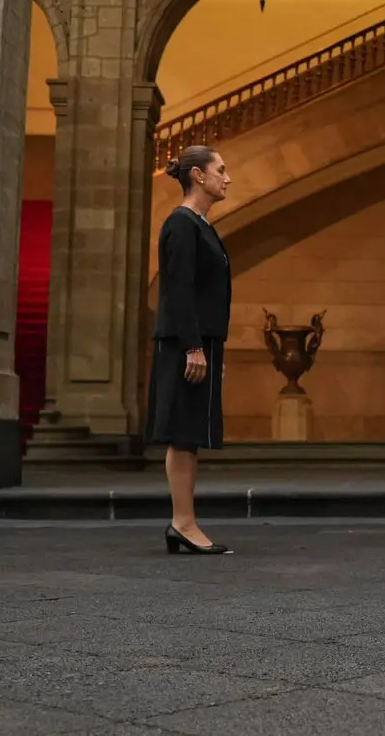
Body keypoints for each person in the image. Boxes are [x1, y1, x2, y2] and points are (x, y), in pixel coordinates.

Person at [150, 145, 234, 556]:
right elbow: (179, 289)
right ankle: (182, 522)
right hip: (187, 344)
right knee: (183, 433)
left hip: (200, 342)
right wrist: (194, 348)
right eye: (221, 170)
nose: (228, 178)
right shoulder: (182, 224)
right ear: (198, 175)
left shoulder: (199, 224)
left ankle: (184, 521)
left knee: (190, 434)